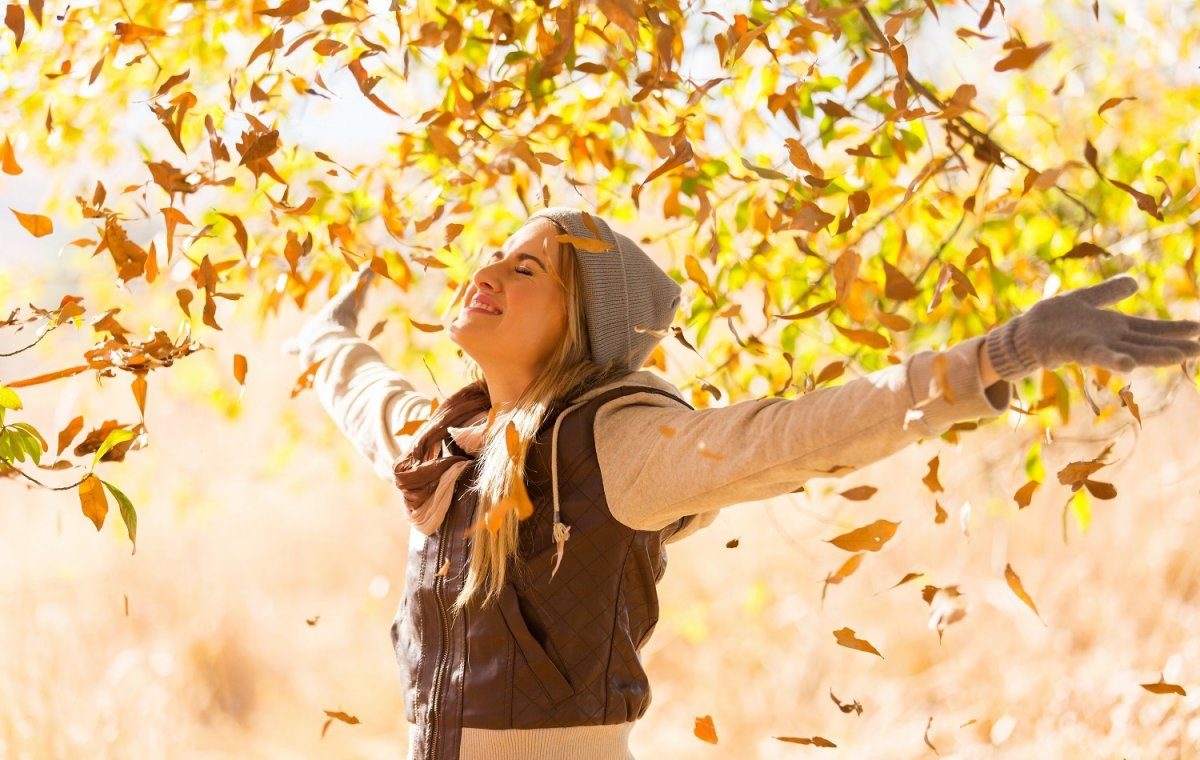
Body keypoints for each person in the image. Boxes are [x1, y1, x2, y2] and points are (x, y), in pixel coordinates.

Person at [284, 207, 1200, 760]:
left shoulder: (615, 446)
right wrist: (323, 334)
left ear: (581, 329)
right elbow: (362, 387)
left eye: (528, 269)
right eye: (495, 254)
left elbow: (794, 435)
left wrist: (1001, 354)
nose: (488, 270)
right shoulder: (441, 442)